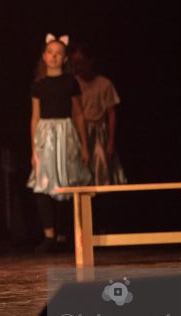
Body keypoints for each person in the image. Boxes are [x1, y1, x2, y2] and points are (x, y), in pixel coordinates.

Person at [27, 34, 91, 253]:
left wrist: (84, 146)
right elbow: (35, 117)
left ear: (64, 59)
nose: (53, 57)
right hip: (46, 137)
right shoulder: (38, 85)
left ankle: (65, 234)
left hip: (65, 134)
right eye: (50, 52)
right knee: (42, 183)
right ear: (44, 57)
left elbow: (79, 114)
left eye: (58, 53)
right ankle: (49, 234)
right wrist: (34, 149)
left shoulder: (70, 82)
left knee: (66, 182)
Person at [69, 41, 127, 185]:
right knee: (79, 170)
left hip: (98, 133)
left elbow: (111, 113)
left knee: (100, 170)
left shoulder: (104, 84)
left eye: (82, 63)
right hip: (78, 131)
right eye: (75, 63)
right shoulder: (73, 83)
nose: (79, 67)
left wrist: (111, 141)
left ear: (90, 61)